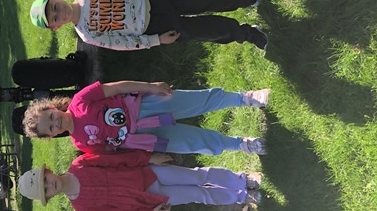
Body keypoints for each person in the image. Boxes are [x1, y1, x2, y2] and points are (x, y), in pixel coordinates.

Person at [22, 80, 268, 155]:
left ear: (52, 107)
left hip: (144, 106)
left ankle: (245, 98)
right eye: (50, 127)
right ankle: (241, 144)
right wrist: (150, 157)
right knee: (192, 142)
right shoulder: (80, 143)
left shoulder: (79, 100)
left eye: (51, 117)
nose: (55, 122)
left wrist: (150, 87)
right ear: (52, 135)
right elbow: (114, 151)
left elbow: (116, 88)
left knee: (196, 101)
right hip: (144, 136)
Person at [18, 151, 262, 211]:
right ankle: (241, 197)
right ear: (50, 197)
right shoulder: (81, 206)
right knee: (199, 194)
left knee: (198, 175)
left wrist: (149, 158)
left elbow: (116, 160)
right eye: (46, 190)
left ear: (48, 172)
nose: (50, 185)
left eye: (45, 180)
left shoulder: (80, 164)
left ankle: (241, 180)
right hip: (148, 199)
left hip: (149, 173)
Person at [29, 0, 269, 50]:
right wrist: (156, 40)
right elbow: (122, 43)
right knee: (206, 30)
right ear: (56, 27)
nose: (59, 12)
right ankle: (246, 33)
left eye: (55, 7)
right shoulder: (87, 34)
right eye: (55, 18)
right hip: (153, 28)